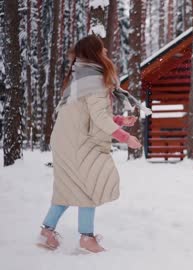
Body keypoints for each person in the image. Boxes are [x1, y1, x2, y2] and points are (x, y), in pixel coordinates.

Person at [38, 35, 143, 253]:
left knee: (70, 187)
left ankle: (47, 232)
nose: (105, 53)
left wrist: (121, 120)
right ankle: (86, 239)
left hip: (67, 140)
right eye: (102, 50)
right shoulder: (94, 80)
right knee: (89, 186)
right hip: (77, 143)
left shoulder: (82, 78)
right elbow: (98, 118)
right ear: (95, 54)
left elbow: (89, 116)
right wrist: (126, 137)